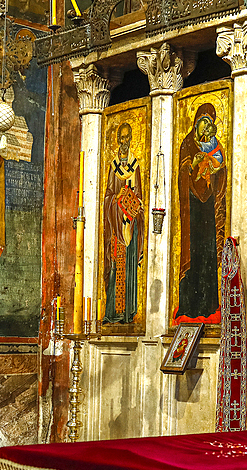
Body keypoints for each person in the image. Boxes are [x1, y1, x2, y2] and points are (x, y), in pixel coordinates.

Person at [175, 103, 227, 323]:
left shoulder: (216, 146)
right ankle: (189, 305)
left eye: (209, 124)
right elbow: (182, 172)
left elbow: (221, 171)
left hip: (208, 207)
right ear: (196, 124)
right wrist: (192, 165)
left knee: (207, 252)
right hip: (191, 206)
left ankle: (208, 305)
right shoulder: (187, 144)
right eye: (202, 124)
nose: (205, 129)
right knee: (192, 251)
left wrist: (215, 169)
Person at [102, 122, 144, 324]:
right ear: (118, 139)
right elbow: (107, 196)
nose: (124, 141)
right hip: (116, 225)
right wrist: (116, 199)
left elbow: (140, 197)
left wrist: (133, 204)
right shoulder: (113, 167)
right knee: (115, 268)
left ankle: (128, 311)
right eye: (121, 137)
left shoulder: (135, 167)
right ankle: (113, 312)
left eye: (127, 137)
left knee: (129, 268)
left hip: (130, 226)